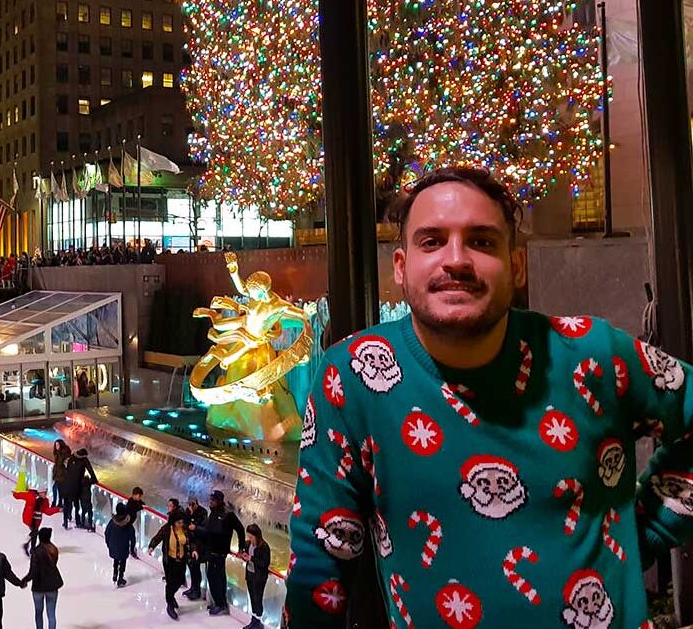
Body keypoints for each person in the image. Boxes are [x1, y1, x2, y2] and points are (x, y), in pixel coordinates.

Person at [287, 165, 693, 626]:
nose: (456, 259)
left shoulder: (593, 355)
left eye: (481, 241)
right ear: (401, 268)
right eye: (432, 241)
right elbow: (321, 558)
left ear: (515, 266)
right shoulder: (355, 374)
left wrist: (651, 529)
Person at [196, 490, 244, 615]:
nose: (210, 501)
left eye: (213, 500)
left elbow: (240, 529)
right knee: (212, 577)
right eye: (210, 499)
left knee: (217, 578)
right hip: (210, 552)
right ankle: (218, 602)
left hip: (220, 553)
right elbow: (209, 531)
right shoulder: (212, 513)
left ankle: (221, 604)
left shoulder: (228, 515)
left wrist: (241, 548)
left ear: (219, 501)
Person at [148, 510, 193, 620]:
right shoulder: (167, 529)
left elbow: (191, 542)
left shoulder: (185, 529)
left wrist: (194, 550)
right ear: (173, 522)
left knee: (180, 581)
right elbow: (158, 537)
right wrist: (151, 546)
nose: (180, 525)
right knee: (171, 582)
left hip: (181, 561)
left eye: (181, 522)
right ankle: (170, 604)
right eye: (178, 523)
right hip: (170, 561)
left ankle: (171, 596)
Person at [21, 527, 63, 629]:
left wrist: (24, 580)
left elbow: (33, 571)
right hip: (52, 585)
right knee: (51, 613)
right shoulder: (54, 550)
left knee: (39, 612)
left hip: (38, 586)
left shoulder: (36, 552)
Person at [13, 488, 61, 555]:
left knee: (34, 532)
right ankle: (32, 549)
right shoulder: (31, 496)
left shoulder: (45, 500)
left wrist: (57, 509)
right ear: (39, 493)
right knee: (35, 533)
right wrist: (15, 494)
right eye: (44, 493)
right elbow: (20, 496)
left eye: (46, 493)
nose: (45, 494)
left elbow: (47, 511)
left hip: (37, 520)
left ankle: (28, 546)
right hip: (29, 519)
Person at [241, 524, 270, 629]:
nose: (249, 539)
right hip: (249, 574)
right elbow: (246, 555)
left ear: (257, 536)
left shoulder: (264, 547)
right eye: (248, 536)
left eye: (251, 537)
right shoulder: (248, 544)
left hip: (259, 577)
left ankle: (258, 622)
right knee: (252, 598)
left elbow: (265, 563)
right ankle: (253, 620)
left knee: (258, 598)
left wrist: (251, 558)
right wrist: (244, 557)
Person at [63, 448, 98, 531]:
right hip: (76, 487)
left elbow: (67, 470)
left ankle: (66, 522)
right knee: (77, 505)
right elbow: (91, 472)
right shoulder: (84, 460)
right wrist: (92, 480)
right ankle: (78, 522)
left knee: (67, 505)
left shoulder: (71, 458)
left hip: (67, 485)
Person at [182, 496, 208, 600]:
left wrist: (195, 528)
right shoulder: (187, 512)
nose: (191, 507)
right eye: (189, 504)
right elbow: (185, 524)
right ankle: (193, 587)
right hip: (189, 543)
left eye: (193, 504)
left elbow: (205, 530)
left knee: (195, 568)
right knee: (191, 567)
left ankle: (197, 590)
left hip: (199, 545)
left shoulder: (203, 513)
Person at [104, 502, 135, 588]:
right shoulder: (128, 524)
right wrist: (132, 548)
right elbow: (132, 536)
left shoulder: (112, 522)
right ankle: (120, 577)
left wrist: (108, 544)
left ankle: (115, 573)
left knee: (116, 559)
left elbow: (107, 533)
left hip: (113, 545)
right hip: (123, 546)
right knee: (123, 561)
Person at [124, 486, 146, 557]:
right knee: (132, 537)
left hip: (129, 523)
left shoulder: (137, 501)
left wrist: (142, 505)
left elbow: (142, 503)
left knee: (131, 536)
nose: (140, 498)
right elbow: (133, 509)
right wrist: (141, 507)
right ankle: (131, 550)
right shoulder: (130, 502)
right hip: (127, 523)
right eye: (139, 496)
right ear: (134, 495)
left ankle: (131, 549)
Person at [51, 440, 71, 510]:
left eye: (58, 445)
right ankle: (59, 503)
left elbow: (66, 462)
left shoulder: (63, 453)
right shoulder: (57, 453)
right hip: (57, 472)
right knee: (59, 488)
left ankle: (55, 502)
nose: (56, 446)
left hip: (62, 473)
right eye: (56, 445)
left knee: (55, 487)